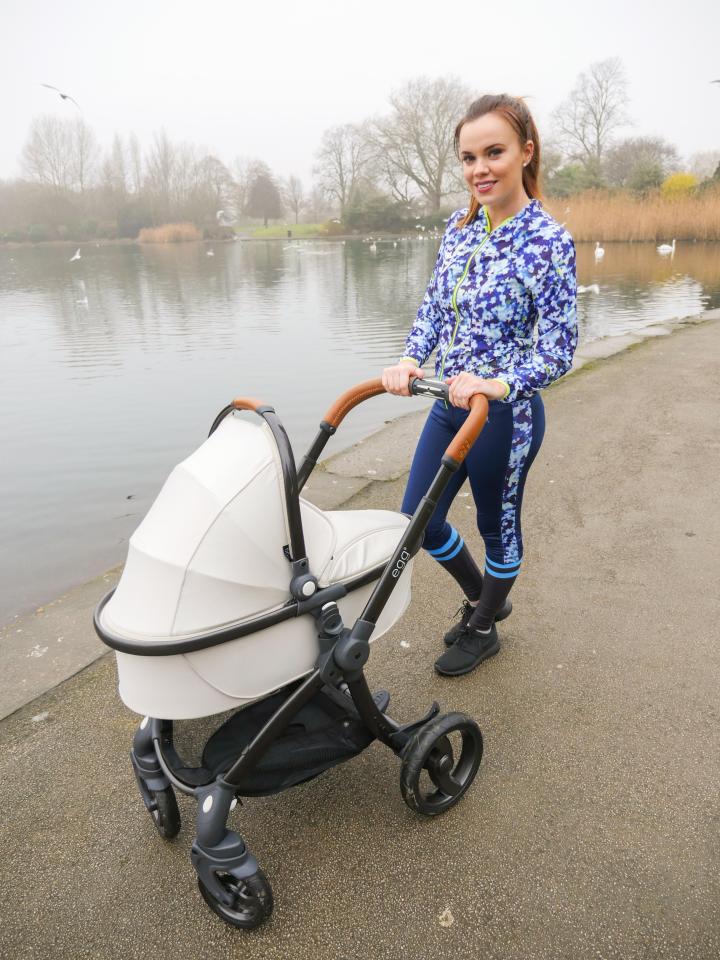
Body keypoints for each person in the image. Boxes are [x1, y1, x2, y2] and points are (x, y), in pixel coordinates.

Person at [382, 94, 577, 678]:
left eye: (494, 152)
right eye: (469, 158)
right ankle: (483, 598)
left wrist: (498, 384)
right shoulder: (460, 228)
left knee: (497, 528)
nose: (480, 169)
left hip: (504, 418)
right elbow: (437, 308)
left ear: (525, 152)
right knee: (417, 518)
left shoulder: (547, 241)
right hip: (449, 406)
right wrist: (412, 357)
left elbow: (559, 349)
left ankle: (485, 627)